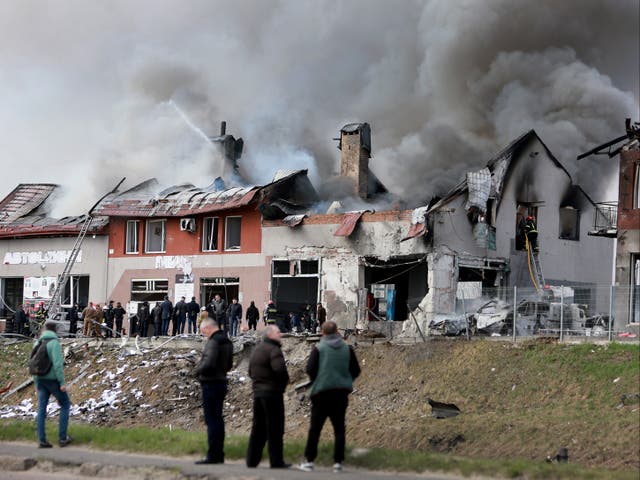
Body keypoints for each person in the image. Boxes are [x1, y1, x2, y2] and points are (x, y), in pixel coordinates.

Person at [298, 321, 361, 473]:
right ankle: (338, 462)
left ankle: (309, 460)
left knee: (315, 429)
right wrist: (346, 380)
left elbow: (310, 369)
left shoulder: (319, 348)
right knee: (339, 428)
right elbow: (356, 370)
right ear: (337, 331)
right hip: (340, 393)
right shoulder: (347, 349)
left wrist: (318, 379)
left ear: (323, 333)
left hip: (321, 393)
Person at [246, 325, 290, 469]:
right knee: (275, 428)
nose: (280, 335)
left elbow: (250, 371)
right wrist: (281, 387)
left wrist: (258, 384)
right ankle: (276, 461)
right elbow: (281, 371)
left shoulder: (257, 349)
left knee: (258, 427)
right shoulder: (274, 350)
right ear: (270, 335)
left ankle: (252, 460)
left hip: (258, 393)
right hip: (272, 393)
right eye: (278, 332)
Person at [194, 317, 233, 464]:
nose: (205, 335)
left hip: (210, 383)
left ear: (208, 328)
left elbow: (208, 363)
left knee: (211, 420)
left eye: (204, 332)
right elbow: (229, 365)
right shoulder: (227, 342)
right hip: (222, 381)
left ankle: (213, 455)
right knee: (218, 418)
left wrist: (197, 371)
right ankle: (219, 453)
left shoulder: (213, 342)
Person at [33, 320, 72, 448]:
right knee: (65, 404)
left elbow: (33, 365)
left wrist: (36, 383)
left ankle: (42, 440)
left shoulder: (38, 342)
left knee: (41, 409)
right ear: (55, 330)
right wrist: (62, 382)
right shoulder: (54, 343)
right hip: (53, 381)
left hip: (41, 380)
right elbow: (58, 365)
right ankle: (62, 438)